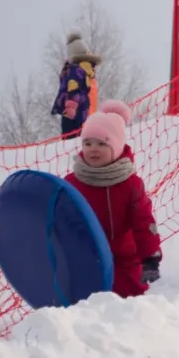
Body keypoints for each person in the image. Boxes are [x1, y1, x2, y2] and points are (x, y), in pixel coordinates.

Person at [64, 100, 163, 298]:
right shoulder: (73, 182)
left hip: (123, 260)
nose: (93, 149)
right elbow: (61, 218)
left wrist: (150, 258)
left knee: (125, 303)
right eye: (88, 143)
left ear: (116, 147)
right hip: (86, 259)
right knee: (84, 303)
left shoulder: (129, 184)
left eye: (102, 144)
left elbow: (143, 222)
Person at [51, 32, 102, 139]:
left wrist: (70, 107)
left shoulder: (76, 70)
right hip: (82, 113)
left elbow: (74, 89)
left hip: (75, 113)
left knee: (71, 140)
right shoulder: (84, 71)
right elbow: (78, 90)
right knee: (80, 139)